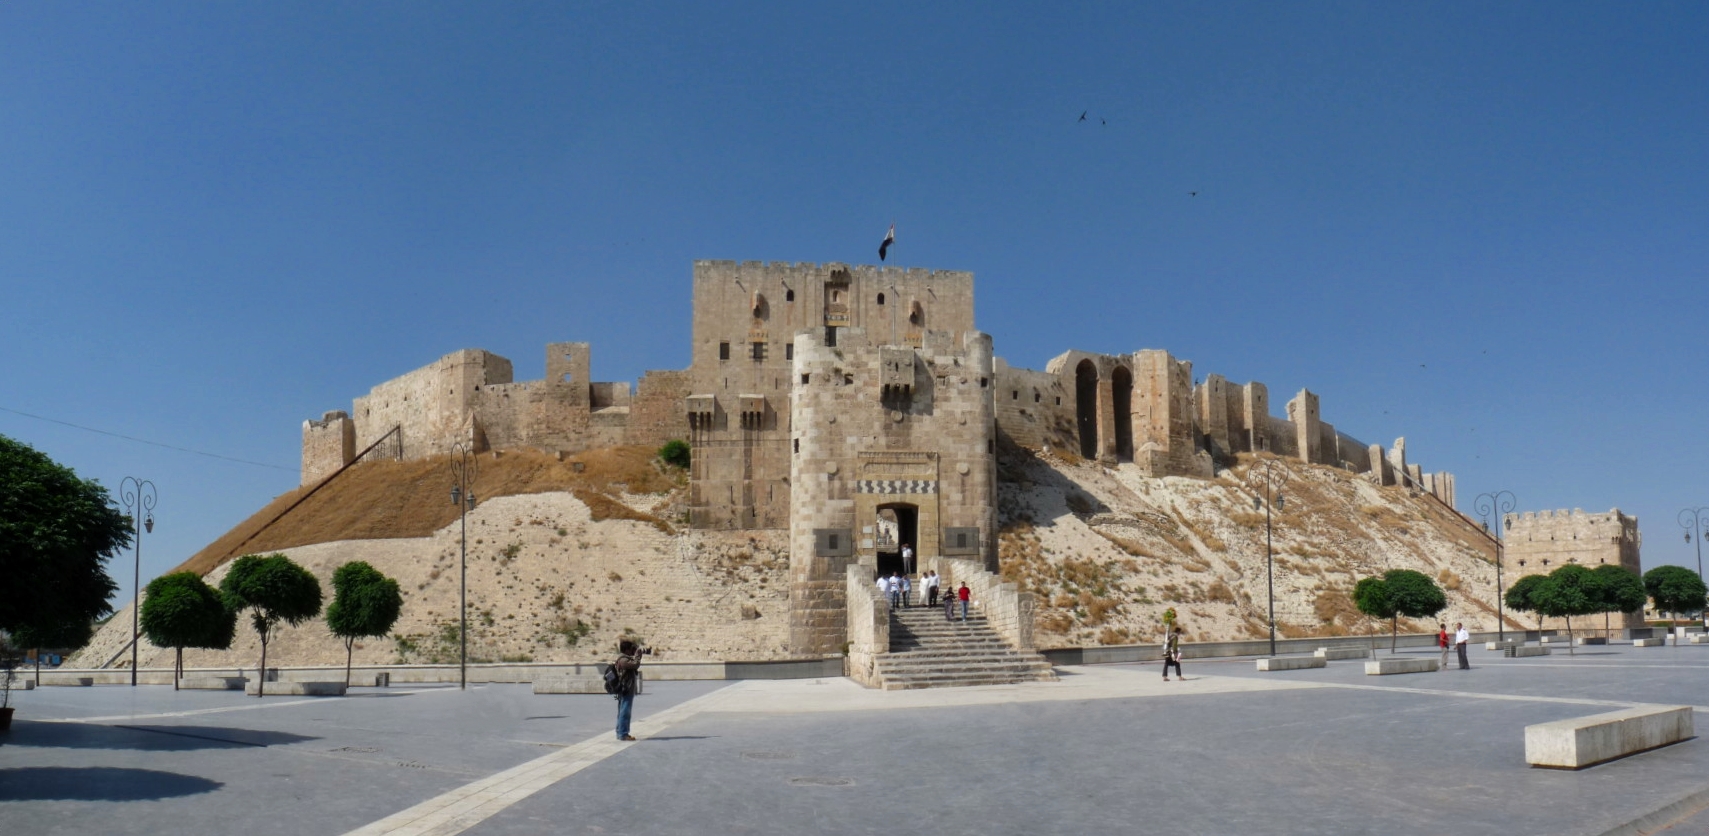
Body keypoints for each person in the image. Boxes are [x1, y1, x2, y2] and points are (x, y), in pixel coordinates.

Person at [613, 639, 649, 741]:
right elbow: (635, 665)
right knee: (625, 711)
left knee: (622, 711)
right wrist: (638, 656)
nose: (632, 651)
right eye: (631, 649)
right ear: (627, 650)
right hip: (626, 689)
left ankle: (620, 732)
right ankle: (623, 734)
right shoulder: (623, 660)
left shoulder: (624, 659)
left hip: (625, 689)